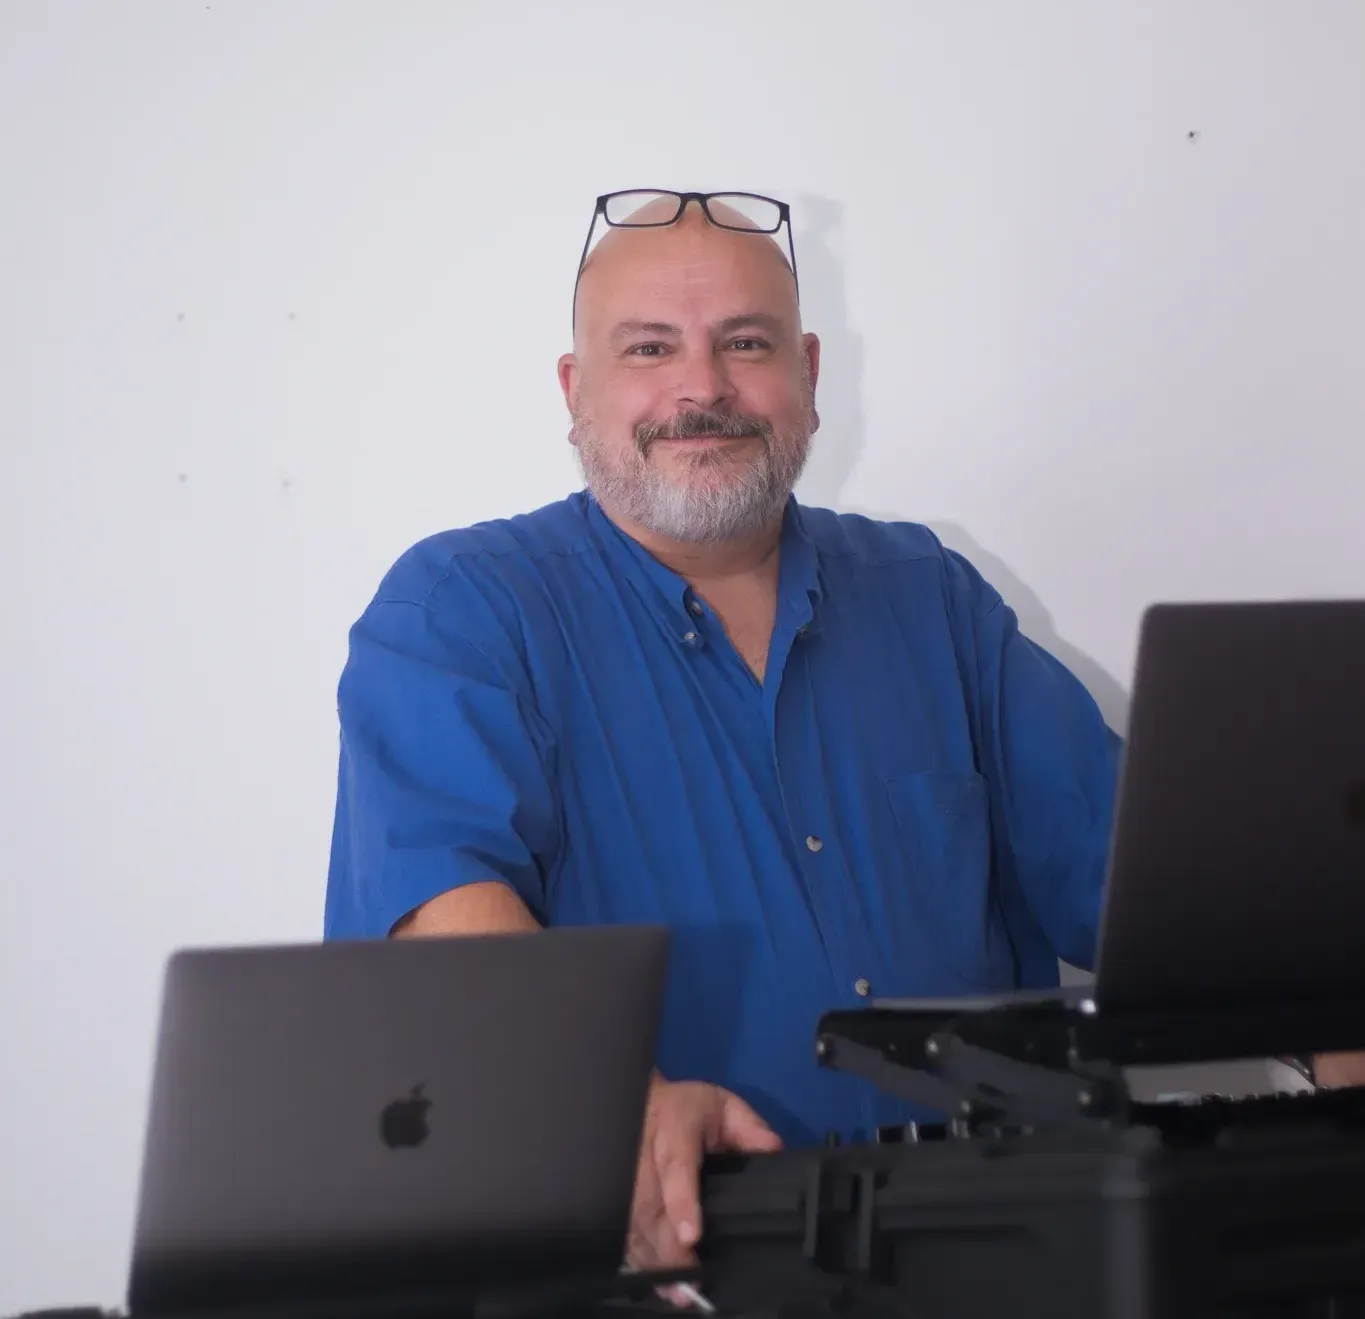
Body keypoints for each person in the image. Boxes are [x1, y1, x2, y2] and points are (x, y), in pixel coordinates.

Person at [321, 190, 1360, 1274]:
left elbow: (1152, 886)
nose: (702, 387)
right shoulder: (464, 607)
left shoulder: (932, 599)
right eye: (650, 347)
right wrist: (601, 1106)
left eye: (747, 342)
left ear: (809, 374)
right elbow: (438, 906)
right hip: (661, 1265)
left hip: (998, 1254)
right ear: (576, 392)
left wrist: (1334, 1027)